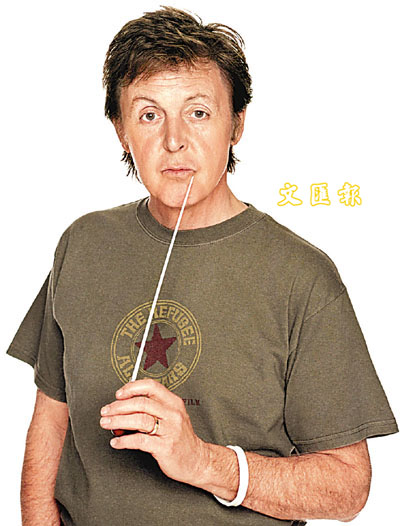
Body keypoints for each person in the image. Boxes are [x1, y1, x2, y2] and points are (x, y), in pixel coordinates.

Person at [6, 6, 398, 526]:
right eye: (149, 115)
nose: (174, 140)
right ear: (121, 131)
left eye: (198, 112)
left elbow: (348, 488)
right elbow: (51, 416)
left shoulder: (302, 277)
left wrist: (204, 463)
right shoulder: (83, 243)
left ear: (236, 124)